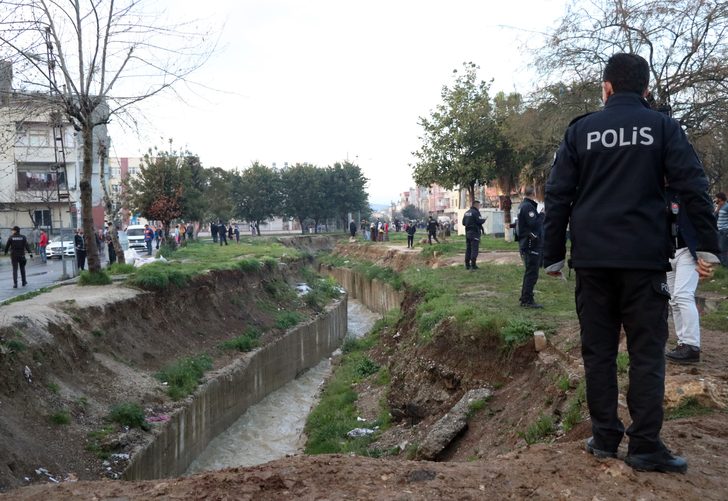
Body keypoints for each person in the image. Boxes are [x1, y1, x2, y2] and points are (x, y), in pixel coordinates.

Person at [543, 53, 720, 474]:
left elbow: (558, 195)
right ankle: (644, 446)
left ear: (605, 88)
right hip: (644, 261)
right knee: (645, 353)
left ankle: (604, 437)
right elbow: (693, 185)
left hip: (592, 261)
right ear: (645, 90)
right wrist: (707, 247)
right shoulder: (662, 127)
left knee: (598, 352)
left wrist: (551, 255)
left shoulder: (580, 130)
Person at [664, 188, 701, 364]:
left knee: (683, 295)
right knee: (673, 299)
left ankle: (692, 345)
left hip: (687, 250)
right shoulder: (657, 191)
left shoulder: (688, 191)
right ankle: (682, 343)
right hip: (668, 251)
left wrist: (706, 252)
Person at [516, 187, 543, 308]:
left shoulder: (523, 206)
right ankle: (527, 300)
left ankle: (525, 297)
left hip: (526, 242)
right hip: (530, 243)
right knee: (532, 273)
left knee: (530, 272)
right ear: (533, 193)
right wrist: (542, 215)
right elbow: (533, 224)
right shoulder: (527, 207)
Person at [462, 199, 486, 270]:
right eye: (479, 206)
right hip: (475, 233)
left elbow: (463, 223)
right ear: (476, 205)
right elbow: (479, 221)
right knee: (474, 249)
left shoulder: (466, 212)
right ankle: (473, 265)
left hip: (468, 233)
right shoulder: (476, 212)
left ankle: (467, 264)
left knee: (468, 249)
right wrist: (484, 220)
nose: (479, 207)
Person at [715, 192, 728, 266]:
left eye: (716, 198)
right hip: (719, 230)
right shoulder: (719, 206)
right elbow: (714, 216)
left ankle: (725, 265)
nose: (715, 199)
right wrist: (717, 209)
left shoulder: (727, 206)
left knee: (723, 249)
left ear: (720, 198)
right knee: (719, 248)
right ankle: (721, 263)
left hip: (724, 231)